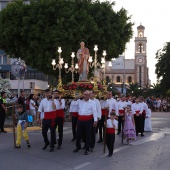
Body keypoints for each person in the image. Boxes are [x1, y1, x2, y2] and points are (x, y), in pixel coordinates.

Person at [73, 90, 97, 155]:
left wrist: (95, 120)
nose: (86, 96)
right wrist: (76, 98)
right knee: (78, 134)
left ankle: (87, 148)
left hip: (88, 119)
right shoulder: (79, 101)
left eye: (88, 95)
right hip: (80, 119)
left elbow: (94, 111)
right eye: (85, 94)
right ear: (83, 94)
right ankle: (78, 147)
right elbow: (73, 104)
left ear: (89, 95)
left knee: (88, 134)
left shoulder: (92, 102)